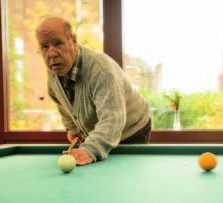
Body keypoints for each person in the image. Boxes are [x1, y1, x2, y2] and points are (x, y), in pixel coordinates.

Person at [36, 16, 151, 166]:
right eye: (44, 46)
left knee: (122, 177)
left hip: (132, 130)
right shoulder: (54, 72)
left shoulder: (101, 70)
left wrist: (89, 149)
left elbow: (112, 119)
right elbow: (63, 106)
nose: (51, 53)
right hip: (102, 131)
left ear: (74, 41)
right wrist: (73, 130)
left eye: (58, 43)